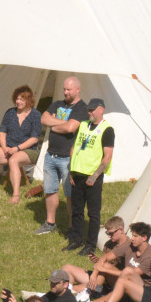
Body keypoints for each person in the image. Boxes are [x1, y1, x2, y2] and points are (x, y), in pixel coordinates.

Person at [35, 76, 86, 236]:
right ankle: (50, 223)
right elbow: (43, 118)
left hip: (68, 158)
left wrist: (54, 122)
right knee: (50, 189)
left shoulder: (82, 108)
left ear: (78, 89)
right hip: (51, 155)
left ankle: (72, 227)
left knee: (71, 194)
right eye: (64, 89)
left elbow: (71, 128)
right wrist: (61, 123)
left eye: (69, 89)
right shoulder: (57, 104)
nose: (65, 92)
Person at [64, 98, 114, 256]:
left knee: (93, 213)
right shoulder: (84, 125)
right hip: (77, 174)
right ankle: (76, 239)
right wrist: (71, 170)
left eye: (93, 110)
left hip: (93, 177)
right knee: (77, 209)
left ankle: (90, 244)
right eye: (89, 110)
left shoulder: (107, 129)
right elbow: (74, 147)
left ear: (102, 110)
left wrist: (95, 176)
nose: (90, 112)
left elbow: (107, 156)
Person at [0, 85, 42, 202]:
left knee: (13, 160)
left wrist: (17, 148)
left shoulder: (35, 115)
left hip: (28, 150)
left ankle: (15, 195)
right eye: (17, 99)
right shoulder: (10, 113)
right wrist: (4, 147)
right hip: (9, 146)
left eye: (21, 99)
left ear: (28, 100)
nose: (18, 101)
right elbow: (2, 131)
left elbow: (34, 139)